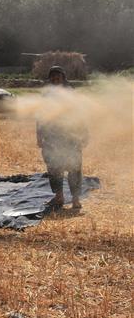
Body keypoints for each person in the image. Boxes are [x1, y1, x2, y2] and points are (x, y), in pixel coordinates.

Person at [36, 65, 88, 211]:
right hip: (52, 137)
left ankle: (75, 200)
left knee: (74, 167)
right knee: (54, 167)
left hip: (71, 136)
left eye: (57, 76)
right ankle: (59, 197)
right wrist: (39, 135)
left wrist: (85, 133)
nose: (55, 78)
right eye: (52, 76)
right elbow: (40, 116)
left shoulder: (71, 93)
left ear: (63, 78)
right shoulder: (46, 95)